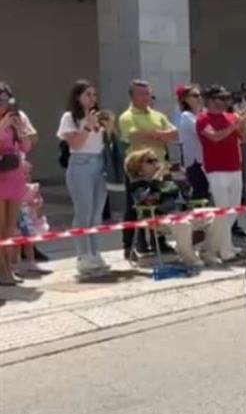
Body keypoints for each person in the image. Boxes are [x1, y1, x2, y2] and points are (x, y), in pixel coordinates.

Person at [56, 80, 113, 278]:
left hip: (99, 163)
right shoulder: (69, 117)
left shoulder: (98, 116)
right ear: (77, 97)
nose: (92, 98)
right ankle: (83, 256)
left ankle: (95, 253)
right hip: (80, 164)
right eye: (87, 94)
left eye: (94, 95)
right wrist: (88, 127)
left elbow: (107, 143)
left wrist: (108, 127)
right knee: (84, 212)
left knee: (97, 212)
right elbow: (77, 144)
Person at [124, 148, 216, 268]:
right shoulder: (136, 186)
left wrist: (182, 177)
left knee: (217, 214)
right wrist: (156, 179)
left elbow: (186, 196)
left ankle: (208, 252)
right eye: (150, 161)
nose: (156, 163)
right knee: (182, 224)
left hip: (182, 213)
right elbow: (148, 199)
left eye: (156, 160)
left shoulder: (164, 181)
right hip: (159, 218)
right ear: (139, 169)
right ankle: (190, 258)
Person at [117, 79, 178, 259]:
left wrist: (152, 135)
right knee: (134, 208)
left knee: (160, 204)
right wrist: (161, 136)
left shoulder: (158, 115)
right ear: (132, 96)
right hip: (137, 170)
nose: (146, 97)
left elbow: (174, 134)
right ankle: (130, 245)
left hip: (159, 167)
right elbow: (134, 137)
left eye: (147, 93)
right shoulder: (127, 116)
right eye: (141, 94)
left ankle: (159, 242)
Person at [195, 85, 246, 260]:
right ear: (211, 100)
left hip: (235, 167)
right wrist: (234, 126)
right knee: (223, 210)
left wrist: (245, 123)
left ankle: (213, 245)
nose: (225, 102)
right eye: (221, 98)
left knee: (232, 211)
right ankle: (225, 250)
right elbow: (215, 137)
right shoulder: (203, 118)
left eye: (226, 98)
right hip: (216, 169)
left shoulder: (231, 116)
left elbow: (244, 138)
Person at [0, 83, 36, 286]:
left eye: (6, 100)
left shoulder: (17, 118)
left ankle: (8, 267)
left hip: (14, 175)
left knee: (10, 227)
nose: (3, 104)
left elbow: (26, 146)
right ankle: (2, 270)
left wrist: (21, 131)